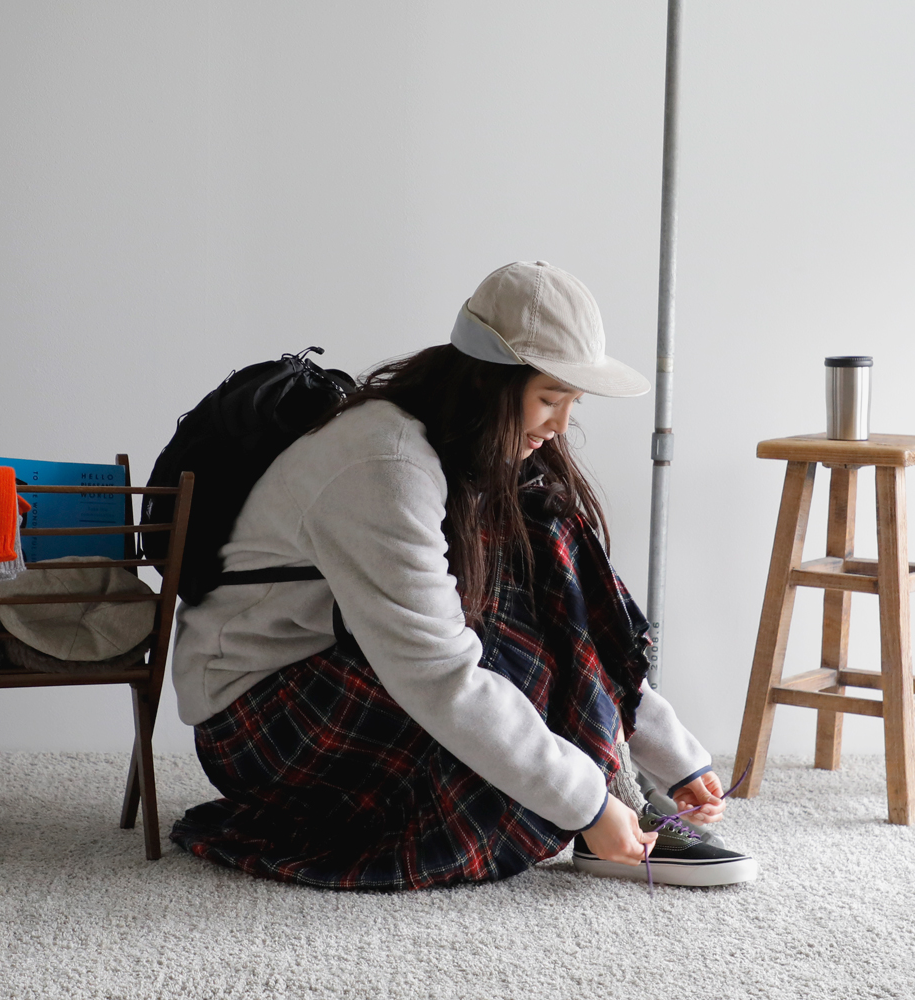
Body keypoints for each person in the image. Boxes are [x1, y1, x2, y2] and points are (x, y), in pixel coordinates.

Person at [169, 260, 758, 890]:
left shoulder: (474, 447)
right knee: (507, 785)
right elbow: (438, 674)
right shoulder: (385, 464)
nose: (560, 424)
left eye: (572, 402)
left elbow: (577, 618)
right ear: (488, 381)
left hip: (358, 666)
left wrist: (671, 754)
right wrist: (588, 806)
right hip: (259, 716)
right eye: (549, 399)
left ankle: (621, 796)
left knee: (548, 562)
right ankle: (614, 809)